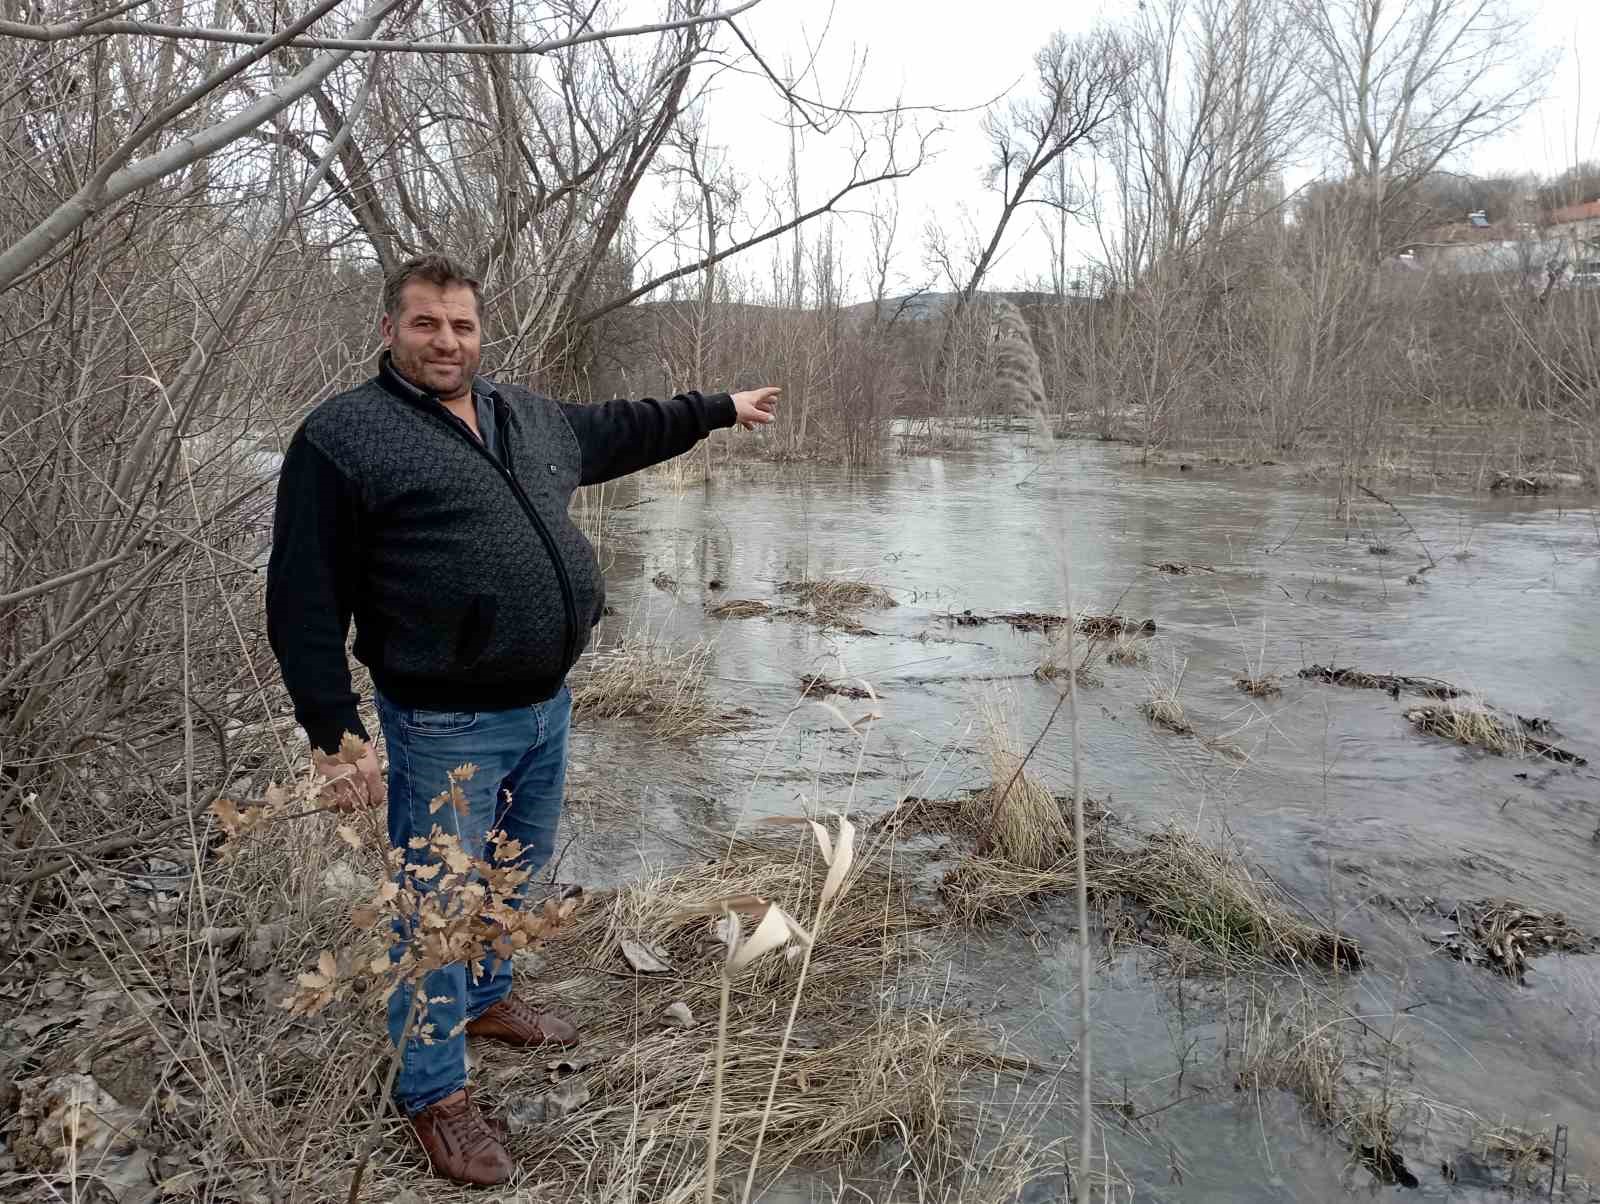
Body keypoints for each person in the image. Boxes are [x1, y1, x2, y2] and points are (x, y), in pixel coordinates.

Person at [265, 253, 778, 1185]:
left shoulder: (523, 415)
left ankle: (488, 998)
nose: (445, 342)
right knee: (434, 913)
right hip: (440, 725)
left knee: (515, 871)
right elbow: (302, 594)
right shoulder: (344, 437)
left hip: (545, 707)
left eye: (460, 325)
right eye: (426, 325)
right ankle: (433, 1095)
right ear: (390, 331)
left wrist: (714, 408)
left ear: (479, 330)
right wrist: (334, 735)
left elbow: (623, 427)